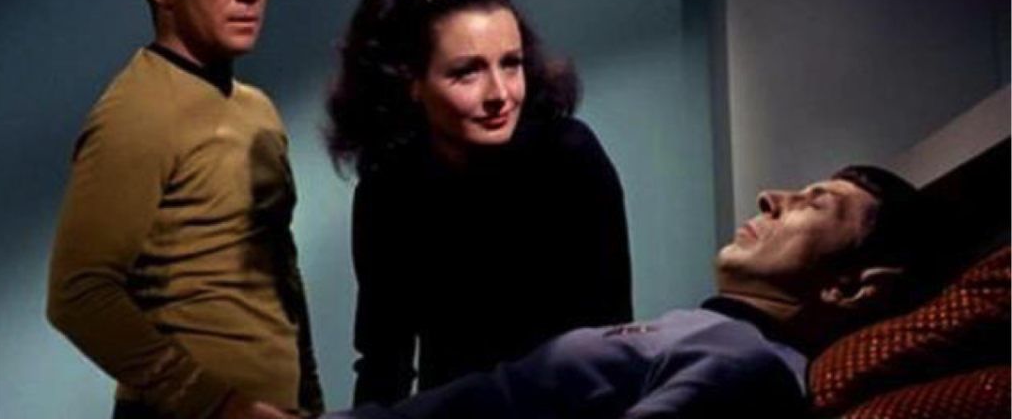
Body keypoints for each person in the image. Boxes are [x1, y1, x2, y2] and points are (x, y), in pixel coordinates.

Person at [323, 165, 936, 419]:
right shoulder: (706, 334)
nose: (772, 198)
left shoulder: (747, 365)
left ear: (853, 290)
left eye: (814, 204)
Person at [47, 0, 323, 420]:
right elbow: (78, 295)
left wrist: (308, 403)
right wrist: (219, 405)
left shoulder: (258, 110)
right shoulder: (136, 113)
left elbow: (280, 279)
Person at [326, 0, 633, 406]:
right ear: (410, 81)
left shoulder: (571, 159)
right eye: (466, 71)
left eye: (511, 64)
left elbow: (614, 345)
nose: (500, 94)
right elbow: (384, 364)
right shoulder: (388, 187)